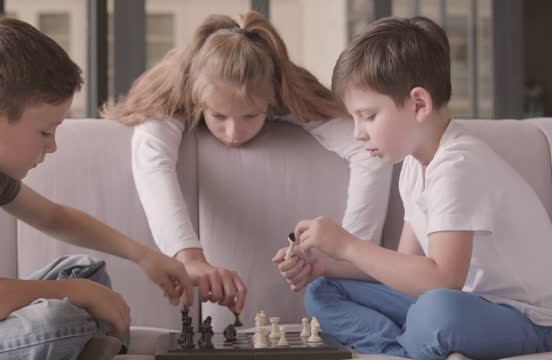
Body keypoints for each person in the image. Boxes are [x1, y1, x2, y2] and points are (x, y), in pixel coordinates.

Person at [0, 16, 193, 360]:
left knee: (86, 270)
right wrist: (80, 294)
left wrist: (145, 256)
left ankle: (85, 343)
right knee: (57, 318)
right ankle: (89, 342)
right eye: (45, 132)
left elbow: (56, 218)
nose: (53, 146)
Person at [277, 16, 552, 359]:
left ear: (418, 104)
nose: (357, 133)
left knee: (436, 309)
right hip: (466, 305)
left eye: (368, 116)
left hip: (528, 320)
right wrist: (325, 263)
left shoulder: (457, 166)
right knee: (321, 291)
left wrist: (346, 245)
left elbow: (442, 279)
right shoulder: (413, 165)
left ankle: (419, 340)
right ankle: (405, 348)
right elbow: (405, 265)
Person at [101, 11, 392, 315]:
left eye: (251, 116)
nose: (234, 133)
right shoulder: (174, 91)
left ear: (273, 101)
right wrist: (189, 257)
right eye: (217, 116)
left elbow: (369, 147)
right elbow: (152, 161)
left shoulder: (287, 90)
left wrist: (352, 253)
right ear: (195, 97)